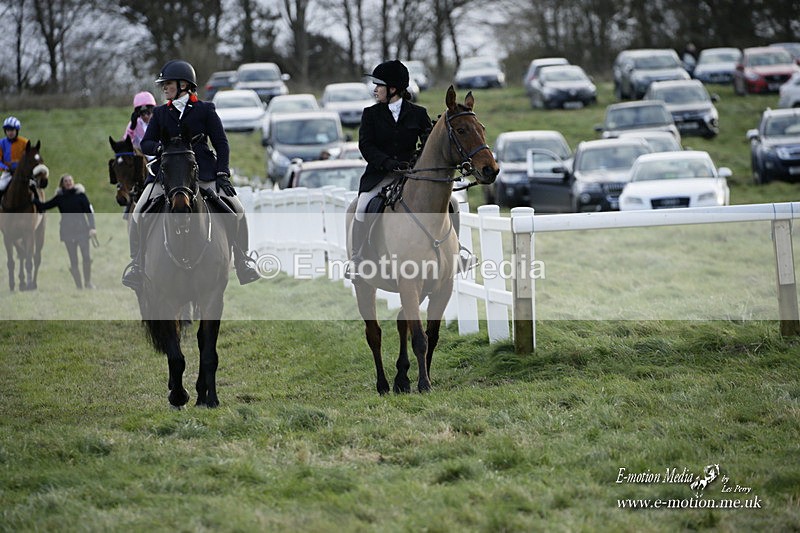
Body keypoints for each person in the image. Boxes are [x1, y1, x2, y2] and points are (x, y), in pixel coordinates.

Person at [121, 59, 260, 290]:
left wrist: (222, 172)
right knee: (138, 212)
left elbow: (221, 144)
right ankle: (137, 264)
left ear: (184, 85)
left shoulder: (205, 110)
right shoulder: (160, 113)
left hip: (203, 173)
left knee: (237, 210)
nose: (164, 88)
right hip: (168, 176)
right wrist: (160, 150)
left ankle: (242, 259)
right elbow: (146, 143)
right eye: (163, 84)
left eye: (168, 84)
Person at [348, 60, 432, 279]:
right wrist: (388, 163)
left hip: (412, 177)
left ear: (393, 89)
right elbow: (366, 146)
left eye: (379, 85)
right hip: (380, 176)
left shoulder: (419, 114)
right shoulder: (370, 114)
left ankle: (457, 251)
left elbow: (428, 145)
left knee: (450, 202)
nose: (375, 89)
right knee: (363, 205)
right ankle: (358, 258)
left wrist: (415, 162)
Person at [35, 174, 97, 289]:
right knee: (73, 260)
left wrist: (92, 227)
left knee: (86, 257)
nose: (68, 183)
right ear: (62, 184)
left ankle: (88, 282)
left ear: (73, 182)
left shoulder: (81, 196)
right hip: (67, 232)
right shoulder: (60, 197)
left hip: (82, 230)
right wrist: (34, 199)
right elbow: (45, 206)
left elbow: (89, 212)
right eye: (66, 181)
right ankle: (79, 286)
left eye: (70, 180)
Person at [0, 116, 30, 205]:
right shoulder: (1, 143)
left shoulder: (25, 142)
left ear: (17, 131)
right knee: (0, 186)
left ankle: (40, 208)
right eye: (8, 130)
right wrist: (6, 168)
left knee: (34, 186)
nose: (10, 133)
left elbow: (29, 159)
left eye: (12, 130)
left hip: (23, 173)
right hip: (8, 172)